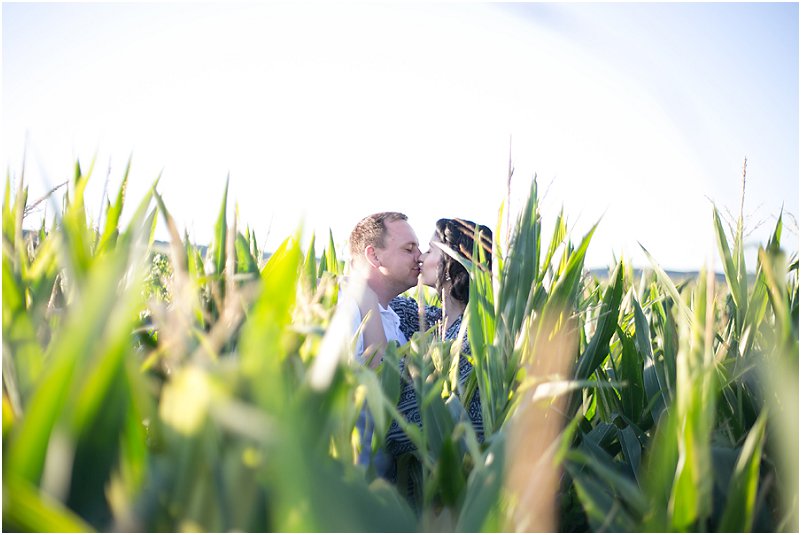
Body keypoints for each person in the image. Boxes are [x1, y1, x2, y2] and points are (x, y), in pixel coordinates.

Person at [383, 218, 493, 455]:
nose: (420, 257)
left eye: (431, 250)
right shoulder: (433, 322)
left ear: (453, 262)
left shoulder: (473, 337)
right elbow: (387, 302)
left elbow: (408, 423)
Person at [337, 211, 422, 471]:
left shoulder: (393, 318)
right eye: (409, 249)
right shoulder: (346, 310)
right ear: (374, 255)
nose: (420, 257)